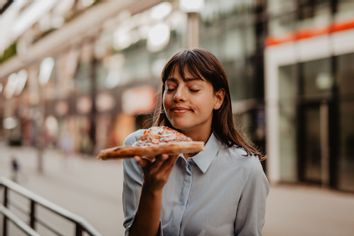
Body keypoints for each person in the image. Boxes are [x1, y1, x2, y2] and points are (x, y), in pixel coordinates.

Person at [122, 48, 269, 236]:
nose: (178, 96)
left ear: (218, 98)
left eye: (193, 89)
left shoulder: (246, 168)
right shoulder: (140, 147)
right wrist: (152, 189)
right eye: (171, 87)